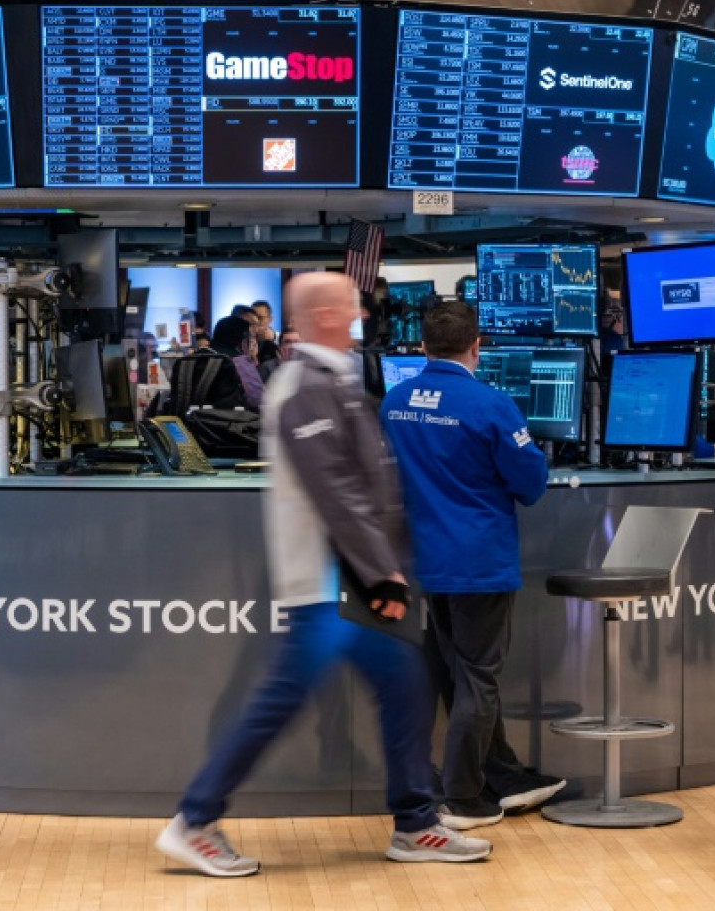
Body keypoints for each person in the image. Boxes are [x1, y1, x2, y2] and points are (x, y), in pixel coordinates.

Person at [155, 272, 490, 877]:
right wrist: (379, 573)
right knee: (281, 703)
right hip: (323, 589)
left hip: (337, 586)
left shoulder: (327, 378)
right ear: (328, 314)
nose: (362, 308)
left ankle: (414, 823)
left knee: (402, 684)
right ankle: (194, 820)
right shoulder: (305, 387)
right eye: (350, 302)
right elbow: (334, 491)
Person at [380, 299, 565, 830]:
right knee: (479, 678)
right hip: (480, 560)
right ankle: (462, 798)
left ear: (422, 346)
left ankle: (500, 774)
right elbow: (531, 484)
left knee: (459, 674)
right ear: (477, 345)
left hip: (427, 560)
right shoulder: (491, 405)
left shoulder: (394, 402)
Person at [210, 314, 265, 408]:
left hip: (193, 419)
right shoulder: (240, 362)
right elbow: (259, 400)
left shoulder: (196, 357)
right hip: (231, 420)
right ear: (243, 342)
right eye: (250, 339)